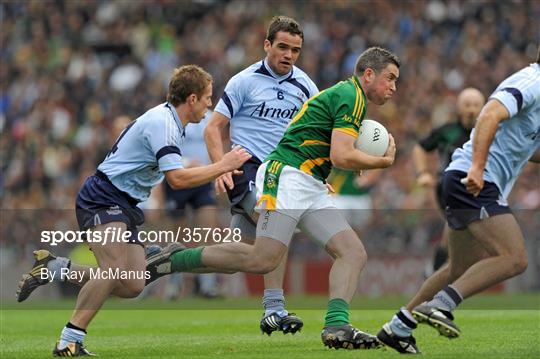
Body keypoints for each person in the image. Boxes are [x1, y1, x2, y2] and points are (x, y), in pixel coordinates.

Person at [147, 46, 400, 350]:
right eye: (390, 79)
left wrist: (346, 163)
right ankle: (172, 259)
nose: (393, 88)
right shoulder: (351, 96)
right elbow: (342, 155)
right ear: (369, 74)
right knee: (263, 258)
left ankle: (336, 327)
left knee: (353, 252)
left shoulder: (347, 95)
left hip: (308, 183)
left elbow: (333, 149)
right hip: (287, 178)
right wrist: (380, 162)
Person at [16, 65, 251, 356]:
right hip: (103, 197)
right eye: (207, 98)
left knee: (132, 284)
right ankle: (68, 340)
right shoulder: (163, 124)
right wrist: (222, 166)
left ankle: (54, 268)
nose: (209, 104)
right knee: (112, 270)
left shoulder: (172, 123)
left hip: (124, 203)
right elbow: (176, 180)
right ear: (191, 99)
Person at [377, 52, 540, 354]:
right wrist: (477, 167)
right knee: (515, 258)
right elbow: (489, 114)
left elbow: (527, 147)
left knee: (458, 267)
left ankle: (398, 326)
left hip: (466, 181)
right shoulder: (533, 81)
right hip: (474, 180)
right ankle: (441, 305)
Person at [203, 15, 318, 334]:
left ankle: (171, 260)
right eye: (282, 47)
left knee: (236, 258)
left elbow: (319, 131)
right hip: (247, 168)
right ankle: (274, 308)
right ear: (267, 45)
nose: (288, 55)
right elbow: (213, 128)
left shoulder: (306, 85)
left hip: (285, 173)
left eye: (295, 50)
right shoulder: (244, 81)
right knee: (276, 223)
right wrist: (220, 167)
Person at [413, 88, 485, 275]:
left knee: (456, 236)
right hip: (448, 189)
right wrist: (423, 173)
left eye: (476, 105)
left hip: (477, 190)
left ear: (483, 107)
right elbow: (420, 148)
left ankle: (434, 272)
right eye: (467, 105)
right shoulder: (447, 131)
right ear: (459, 108)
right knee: (459, 229)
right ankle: (438, 276)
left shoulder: (489, 131)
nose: (471, 109)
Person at [162, 110, 221, 299]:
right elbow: (162, 147)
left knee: (209, 232)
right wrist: (186, 162)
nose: (209, 100)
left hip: (203, 180)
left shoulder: (212, 116)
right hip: (178, 178)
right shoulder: (171, 116)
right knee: (177, 236)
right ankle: (175, 284)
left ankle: (207, 285)